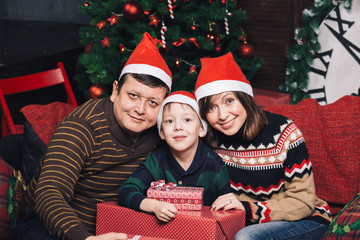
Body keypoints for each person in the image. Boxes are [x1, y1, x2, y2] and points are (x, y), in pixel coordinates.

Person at [15, 32, 172, 240]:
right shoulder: (84, 125)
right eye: (133, 96)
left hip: (113, 228)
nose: (140, 109)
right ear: (116, 91)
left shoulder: (160, 131)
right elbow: (49, 193)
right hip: (51, 226)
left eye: (153, 102)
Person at [194, 52, 332, 240]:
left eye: (229, 101)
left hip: (305, 220)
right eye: (211, 107)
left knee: (246, 237)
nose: (222, 115)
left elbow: (303, 203)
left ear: (244, 98)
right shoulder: (210, 141)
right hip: (247, 219)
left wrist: (249, 209)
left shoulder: (284, 132)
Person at [118, 91, 231, 222]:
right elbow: (126, 191)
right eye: (169, 121)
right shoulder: (156, 161)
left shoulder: (214, 163)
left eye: (187, 120)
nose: (178, 127)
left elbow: (226, 209)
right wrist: (154, 206)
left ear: (201, 128)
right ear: (161, 132)